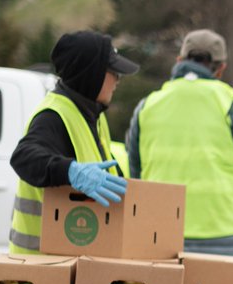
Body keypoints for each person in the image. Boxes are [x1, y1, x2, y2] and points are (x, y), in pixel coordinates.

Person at [126, 29, 233, 256]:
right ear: (221, 68)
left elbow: (136, 173)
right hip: (223, 235)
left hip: (159, 235)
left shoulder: (147, 106)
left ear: (179, 61)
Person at [9, 30, 137, 254]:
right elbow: (23, 157)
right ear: (92, 74)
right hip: (40, 266)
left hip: (69, 259)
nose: (118, 79)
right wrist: (71, 171)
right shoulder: (53, 115)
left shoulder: (93, 116)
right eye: (112, 71)